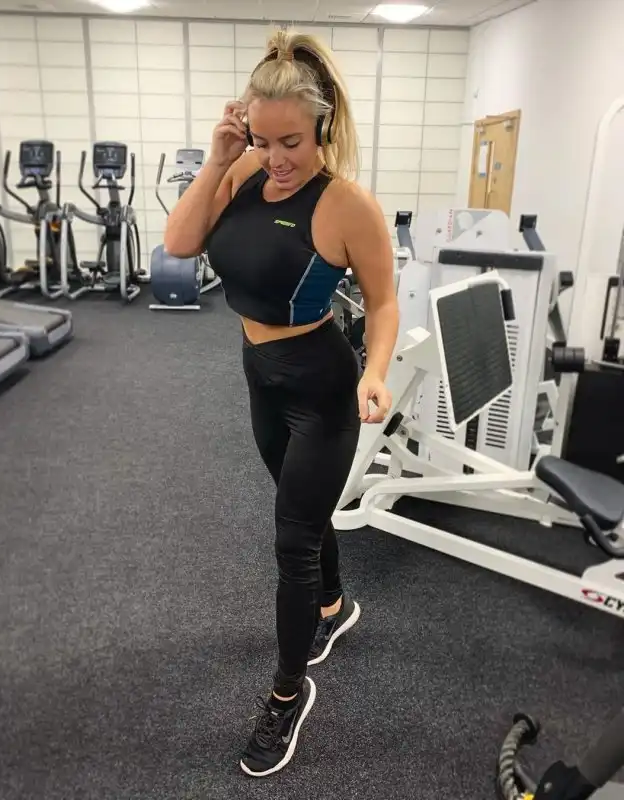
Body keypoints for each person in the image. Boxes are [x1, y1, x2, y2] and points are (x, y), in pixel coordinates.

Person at [164, 28, 399, 778]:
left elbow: (383, 302)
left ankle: (287, 692)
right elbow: (179, 242)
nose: (277, 158)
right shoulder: (241, 173)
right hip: (259, 373)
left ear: (323, 127)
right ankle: (334, 605)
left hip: (321, 385)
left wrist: (376, 371)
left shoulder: (347, 204)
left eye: (291, 141)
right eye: (263, 141)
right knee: (301, 506)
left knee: (291, 538)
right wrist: (219, 158)